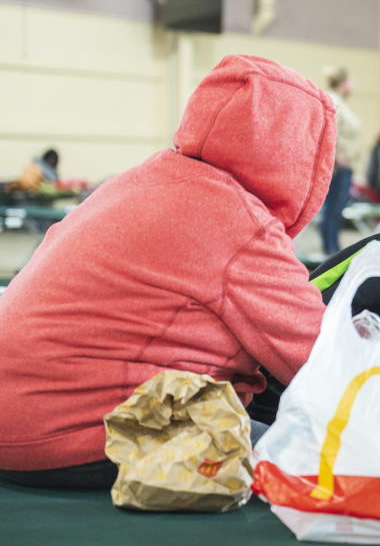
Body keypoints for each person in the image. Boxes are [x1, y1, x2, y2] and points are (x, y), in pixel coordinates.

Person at [0, 55, 337, 489]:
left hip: (17, 429)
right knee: (326, 462)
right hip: (84, 438)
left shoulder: (138, 181)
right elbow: (323, 361)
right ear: (300, 154)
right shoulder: (234, 219)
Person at [318, 67, 362, 255]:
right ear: (343, 83)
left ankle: (332, 246)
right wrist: (336, 156)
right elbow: (328, 130)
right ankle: (330, 249)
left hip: (345, 165)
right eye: (351, 82)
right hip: (337, 166)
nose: (352, 86)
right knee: (332, 208)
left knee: (337, 209)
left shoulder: (341, 102)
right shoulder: (334, 101)